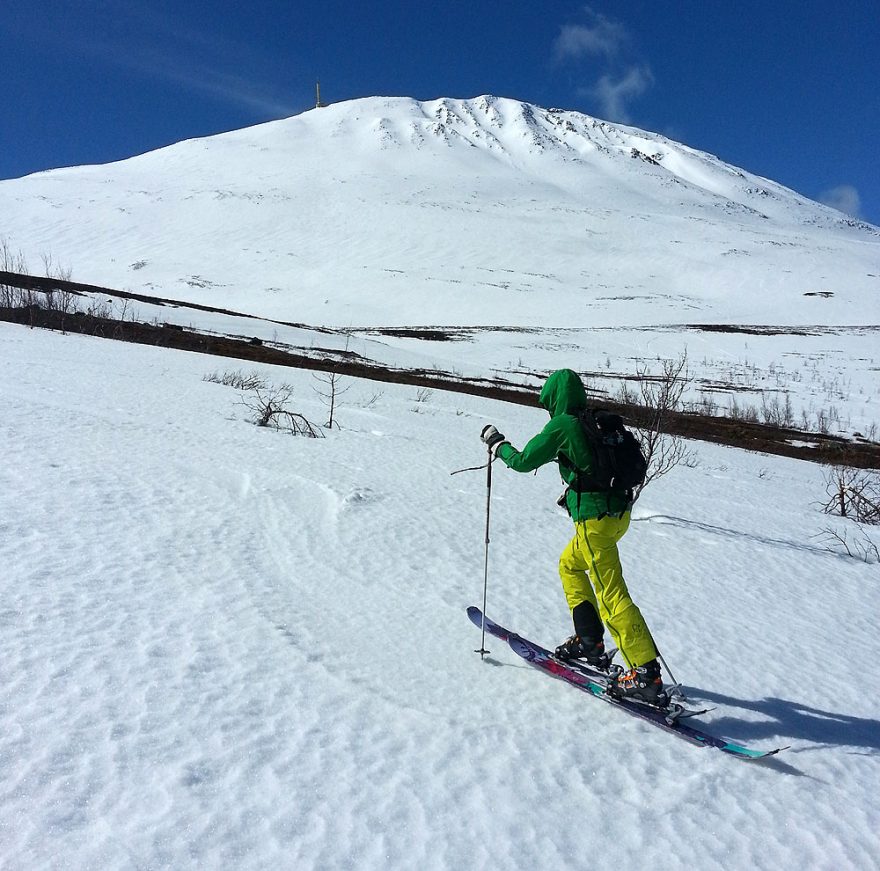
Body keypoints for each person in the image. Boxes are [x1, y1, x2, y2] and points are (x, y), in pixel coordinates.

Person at [480, 368, 664, 704]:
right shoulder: (593, 421)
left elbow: (523, 462)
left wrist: (498, 446)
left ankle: (645, 674)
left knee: (611, 593)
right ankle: (589, 640)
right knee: (569, 564)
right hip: (616, 514)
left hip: (596, 522)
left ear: (553, 398)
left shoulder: (562, 424)